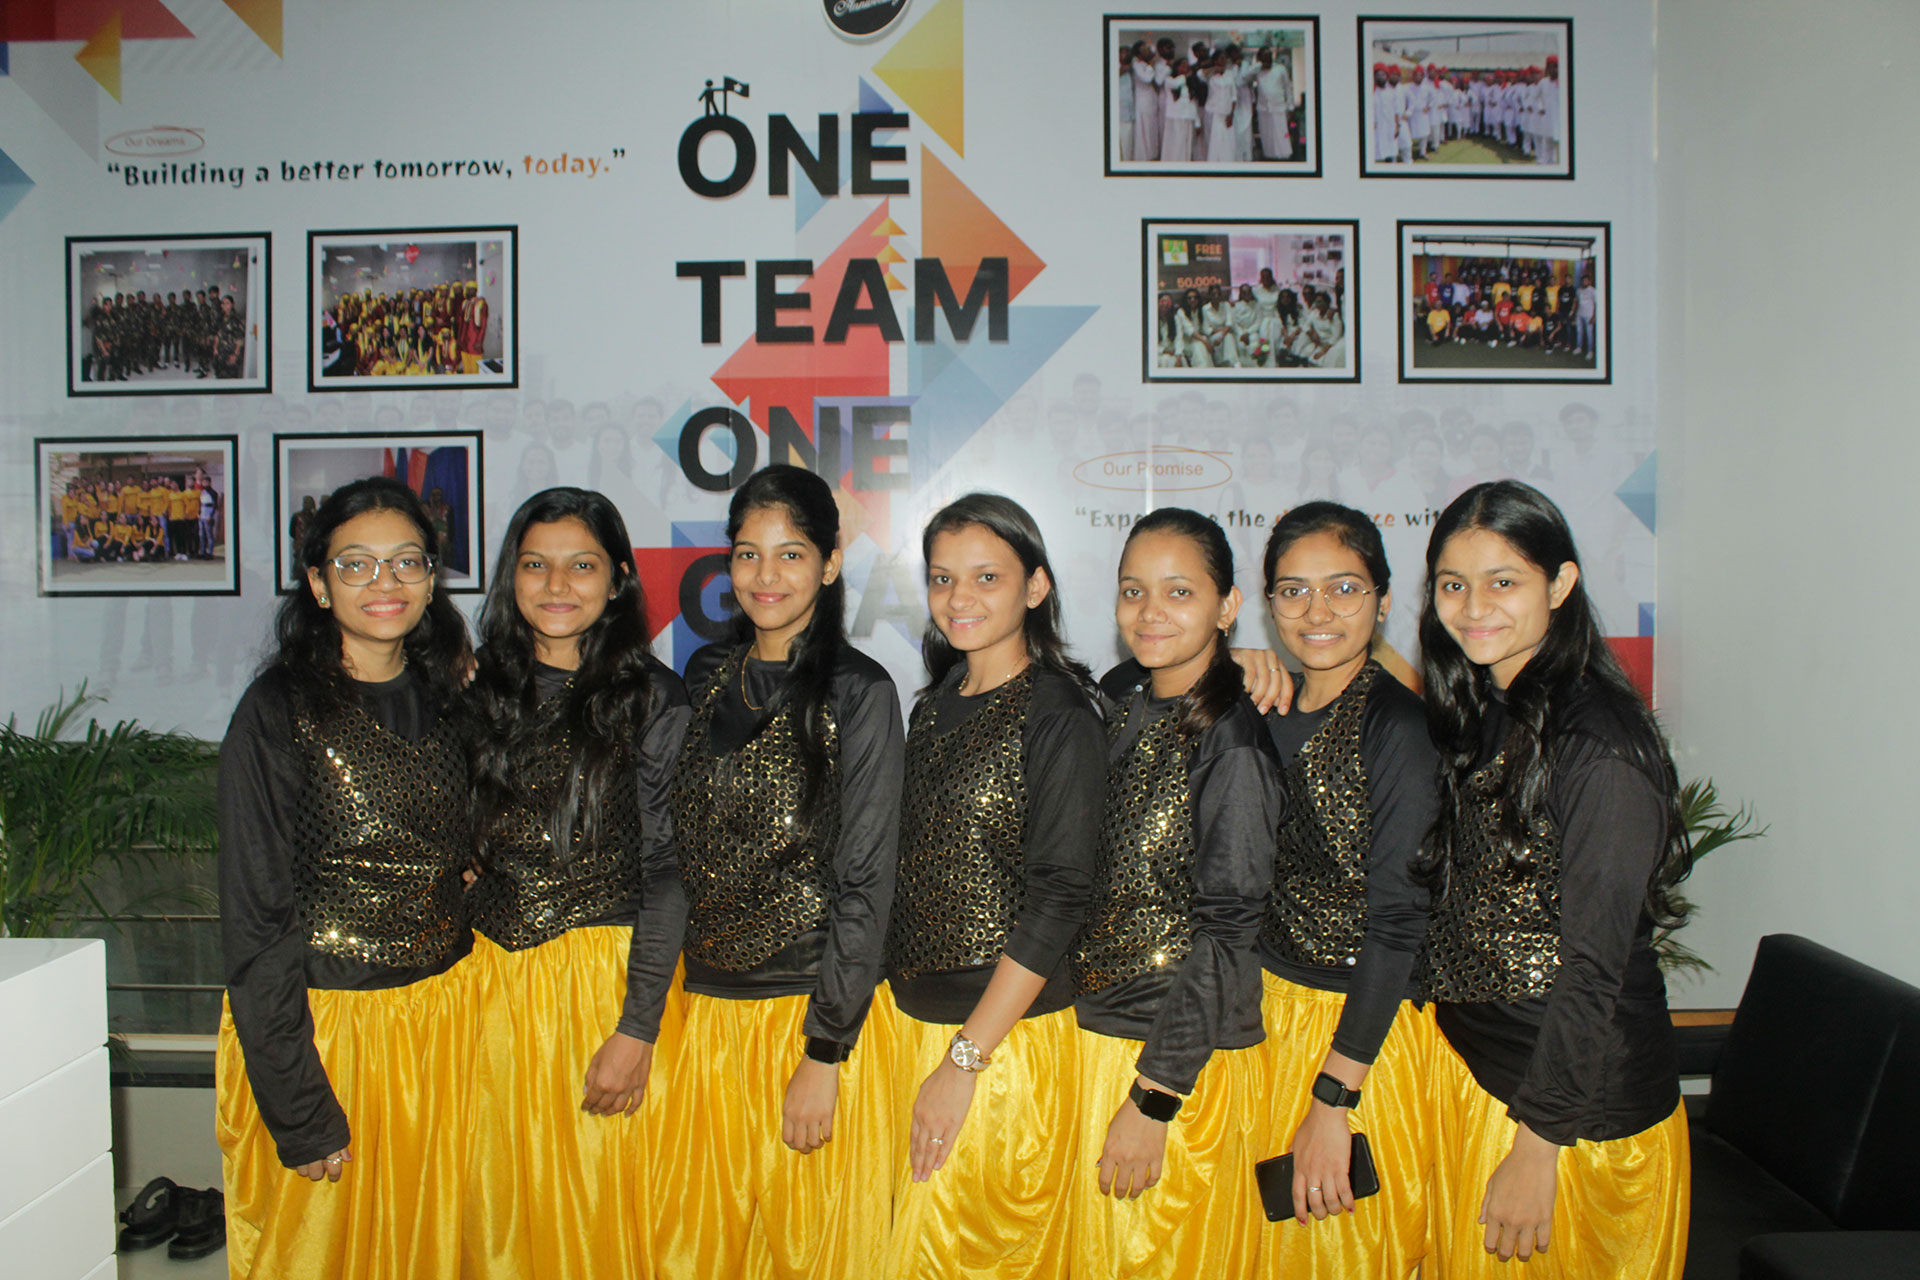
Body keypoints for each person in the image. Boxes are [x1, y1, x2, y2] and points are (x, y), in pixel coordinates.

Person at [1417, 480, 1691, 1276]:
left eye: (1503, 581)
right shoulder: (1491, 707)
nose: (1474, 607)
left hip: (1572, 1125)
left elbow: (1594, 967)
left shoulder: (1599, 742)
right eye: (1453, 584)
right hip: (1485, 1081)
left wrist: (1538, 1147)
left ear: (1561, 584)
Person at [216, 477, 478, 1278]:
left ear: (431, 580)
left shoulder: (455, 700)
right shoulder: (276, 711)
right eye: (356, 564)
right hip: (328, 1032)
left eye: (406, 562)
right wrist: (299, 1109)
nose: (384, 582)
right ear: (319, 583)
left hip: (447, 1025)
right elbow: (255, 919)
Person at [654, 465, 904, 1280]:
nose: (766, 575)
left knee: (812, 1255)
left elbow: (866, 881)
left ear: (830, 564)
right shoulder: (702, 676)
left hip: (807, 1015)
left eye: (791, 554)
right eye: (747, 553)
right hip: (702, 1019)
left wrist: (824, 1052)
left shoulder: (860, 691)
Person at [463, 488, 692, 1280]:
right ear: (511, 577)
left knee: (604, 1227)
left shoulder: (654, 698)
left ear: (619, 578)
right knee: (500, 1224)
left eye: (581, 566)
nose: (556, 585)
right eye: (536, 565)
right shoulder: (474, 693)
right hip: (487, 996)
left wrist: (637, 1028)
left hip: (608, 990)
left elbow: (669, 870)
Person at [883, 494, 1105, 1280]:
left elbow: (1060, 898)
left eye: (987, 577)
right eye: (943, 578)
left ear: (1035, 587)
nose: (959, 598)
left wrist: (965, 1062)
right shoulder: (934, 705)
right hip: (912, 1029)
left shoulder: (1059, 713)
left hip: (1003, 1047)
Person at [1072, 508, 1282, 1278]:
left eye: (1179, 592)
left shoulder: (1232, 744)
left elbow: (1229, 934)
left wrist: (1154, 1099)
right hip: (1097, 1041)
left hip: (1175, 1068)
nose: (1150, 612)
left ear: (1227, 606)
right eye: (1134, 591)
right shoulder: (1122, 701)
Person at [1251, 504, 1439, 1278]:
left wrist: (1334, 1099)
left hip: (1361, 1036)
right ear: (1268, 604)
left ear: (1384, 600)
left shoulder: (1398, 727)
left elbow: (1400, 924)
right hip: (1269, 1019)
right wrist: (1222, 661)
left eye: (1343, 588)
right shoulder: (1264, 708)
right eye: (1293, 591)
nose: (1317, 612)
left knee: (1348, 1256)